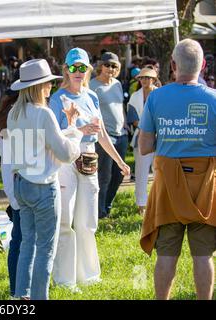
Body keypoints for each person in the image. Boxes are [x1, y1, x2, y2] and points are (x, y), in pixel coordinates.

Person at [139, 39, 216, 300]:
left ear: (173, 65)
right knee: (203, 255)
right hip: (204, 186)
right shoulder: (214, 99)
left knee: (166, 254)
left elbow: (145, 146)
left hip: (168, 186)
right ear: (203, 66)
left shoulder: (156, 97)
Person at [49, 48, 130, 290]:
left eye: (82, 67)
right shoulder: (57, 98)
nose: (77, 71)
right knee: (65, 221)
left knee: (88, 222)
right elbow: (51, 138)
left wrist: (119, 160)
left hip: (90, 161)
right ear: (66, 69)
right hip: (66, 163)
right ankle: (64, 280)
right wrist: (79, 132)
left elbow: (102, 133)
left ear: (88, 70)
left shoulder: (92, 97)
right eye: (73, 67)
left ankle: (90, 276)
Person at [6, 58, 83, 300]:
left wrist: (68, 130)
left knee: (27, 244)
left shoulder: (13, 113)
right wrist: (77, 135)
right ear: (39, 87)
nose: (50, 87)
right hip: (42, 186)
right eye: (48, 83)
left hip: (21, 184)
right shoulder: (44, 113)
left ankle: (22, 296)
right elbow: (65, 153)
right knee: (45, 250)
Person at [90, 52, 130, 219]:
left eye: (114, 66)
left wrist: (126, 123)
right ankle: (99, 211)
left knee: (119, 174)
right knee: (104, 176)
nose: (110, 69)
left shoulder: (118, 85)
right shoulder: (92, 85)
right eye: (107, 65)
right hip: (104, 137)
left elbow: (120, 106)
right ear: (101, 66)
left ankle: (107, 204)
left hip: (121, 134)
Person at [0, 88, 21, 298]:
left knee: (19, 240)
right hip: (19, 187)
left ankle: (18, 289)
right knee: (20, 240)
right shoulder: (17, 115)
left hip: (15, 187)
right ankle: (17, 290)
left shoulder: (8, 116)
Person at [127, 68, 158, 216]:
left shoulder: (161, 94)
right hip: (141, 137)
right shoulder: (134, 96)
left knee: (159, 172)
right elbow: (132, 119)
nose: (144, 80)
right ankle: (141, 204)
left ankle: (159, 202)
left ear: (153, 79)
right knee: (141, 173)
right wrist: (148, 127)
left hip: (161, 137)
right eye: (142, 78)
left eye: (148, 78)